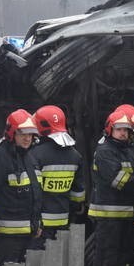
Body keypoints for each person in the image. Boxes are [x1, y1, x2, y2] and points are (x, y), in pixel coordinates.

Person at [88, 110, 134, 266]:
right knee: (107, 250)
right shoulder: (105, 152)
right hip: (108, 212)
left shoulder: (128, 150)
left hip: (126, 212)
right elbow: (119, 180)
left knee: (124, 250)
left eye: (126, 130)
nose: (123, 133)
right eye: (119, 129)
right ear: (110, 129)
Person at [0, 109, 42, 266]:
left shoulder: (30, 158)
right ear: (12, 134)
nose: (27, 138)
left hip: (27, 235)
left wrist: (37, 223)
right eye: (22, 134)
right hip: (4, 237)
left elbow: (36, 195)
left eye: (30, 134)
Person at [29, 105, 85, 247]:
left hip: (39, 224)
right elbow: (78, 195)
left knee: (36, 264)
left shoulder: (34, 154)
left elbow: (31, 192)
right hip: (64, 222)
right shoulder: (75, 155)